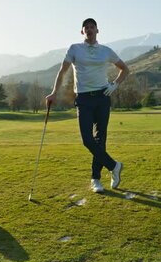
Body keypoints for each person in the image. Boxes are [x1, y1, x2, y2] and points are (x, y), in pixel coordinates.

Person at [45, 18, 130, 193]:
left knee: (101, 138)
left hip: (102, 97)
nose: (90, 29)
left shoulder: (106, 51)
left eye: (92, 27)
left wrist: (114, 85)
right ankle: (114, 166)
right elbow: (63, 71)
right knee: (87, 139)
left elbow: (125, 69)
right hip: (83, 99)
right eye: (86, 27)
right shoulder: (74, 49)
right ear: (82, 32)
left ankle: (96, 179)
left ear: (97, 31)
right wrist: (54, 92)